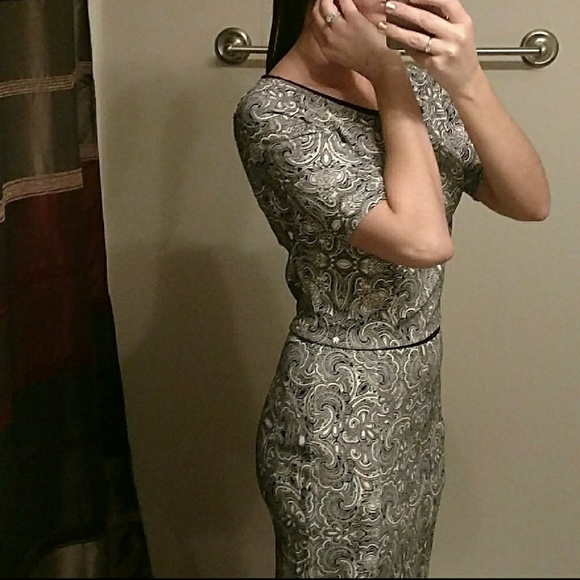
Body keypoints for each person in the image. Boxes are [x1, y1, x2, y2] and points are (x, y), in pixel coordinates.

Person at [233, 0, 550, 577]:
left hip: (415, 398)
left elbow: (530, 201)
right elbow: (424, 241)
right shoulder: (273, 113)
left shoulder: (412, 87)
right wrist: (388, 77)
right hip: (338, 408)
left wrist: (467, 78)